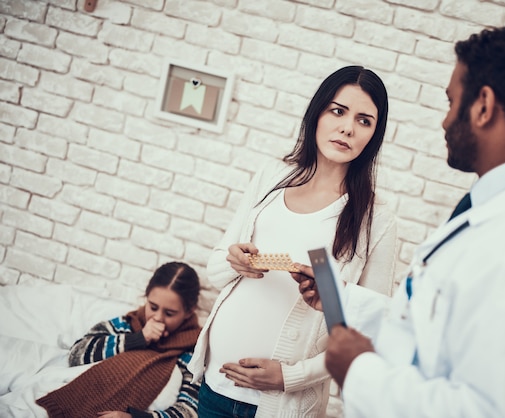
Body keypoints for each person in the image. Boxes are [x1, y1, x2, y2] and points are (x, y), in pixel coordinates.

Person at [292, 27, 505, 417]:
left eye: (451, 102)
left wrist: (360, 371)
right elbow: (437, 334)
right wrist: (344, 300)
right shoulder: (494, 208)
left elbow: (494, 411)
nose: (445, 121)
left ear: (483, 106)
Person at [187, 65, 398, 417]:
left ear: (373, 135)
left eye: (364, 120)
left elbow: (370, 332)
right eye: (338, 111)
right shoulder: (272, 176)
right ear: (317, 113)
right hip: (215, 385)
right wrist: (233, 260)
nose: (347, 127)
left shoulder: (376, 217)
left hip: (281, 406)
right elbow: (216, 266)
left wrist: (290, 376)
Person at [36, 262, 202, 418]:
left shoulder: (193, 352)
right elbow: (76, 355)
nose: (158, 317)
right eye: (153, 307)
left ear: (189, 312)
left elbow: (189, 410)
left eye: (169, 313)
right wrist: (139, 338)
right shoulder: (128, 325)